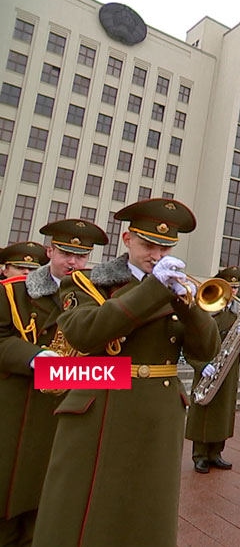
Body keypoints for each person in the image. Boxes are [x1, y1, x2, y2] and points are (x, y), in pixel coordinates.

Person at [34, 199, 221, 547]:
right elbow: (85, 333)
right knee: (86, 508)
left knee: (149, 506)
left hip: (159, 410)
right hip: (103, 404)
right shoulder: (90, 283)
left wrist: (189, 306)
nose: (156, 254)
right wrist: (152, 289)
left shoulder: (175, 289)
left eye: (165, 247)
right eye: (148, 244)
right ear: (127, 240)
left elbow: (204, 350)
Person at [0, 219, 107, 546]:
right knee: (7, 496)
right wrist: (35, 357)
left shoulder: (96, 296)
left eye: (82, 256)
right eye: (65, 253)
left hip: (65, 409)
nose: (73, 262)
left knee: (49, 504)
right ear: (49, 251)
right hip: (15, 407)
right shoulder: (14, 289)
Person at [185, 266, 240, 474]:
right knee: (204, 409)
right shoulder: (206, 307)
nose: (234, 291)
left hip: (229, 366)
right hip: (207, 363)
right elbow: (191, 341)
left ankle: (216, 452)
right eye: (230, 286)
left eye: (236, 287)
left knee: (223, 410)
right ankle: (200, 455)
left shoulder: (239, 310)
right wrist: (201, 366)